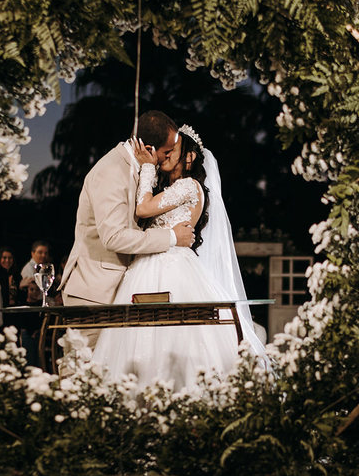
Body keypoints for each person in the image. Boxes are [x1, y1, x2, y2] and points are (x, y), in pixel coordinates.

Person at [91, 125, 266, 393]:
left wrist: (147, 167)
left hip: (170, 267)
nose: (167, 154)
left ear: (190, 157)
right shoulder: (175, 188)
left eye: (174, 150)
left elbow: (143, 208)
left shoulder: (188, 185)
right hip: (152, 262)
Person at [58, 110, 194, 313]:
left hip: (121, 289)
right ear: (149, 149)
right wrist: (172, 237)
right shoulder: (111, 171)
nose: (168, 158)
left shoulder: (141, 167)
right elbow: (114, 237)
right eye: (167, 152)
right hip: (94, 293)